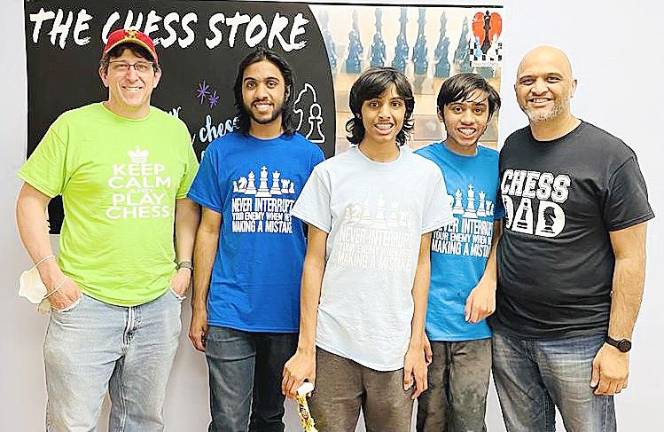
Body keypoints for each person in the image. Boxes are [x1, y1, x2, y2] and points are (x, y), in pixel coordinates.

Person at [15, 28, 200, 431]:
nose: (131, 75)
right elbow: (31, 201)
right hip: (85, 305)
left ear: (156, 75)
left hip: (157, 304)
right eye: (120, 66)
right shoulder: (73, 127)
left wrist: (184, 268)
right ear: (104, 74)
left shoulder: (174, 132)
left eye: (140, 66)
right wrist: (51, 275)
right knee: (71, 424)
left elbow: (186, 203)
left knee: (142, 422)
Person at [490, 45, 654, 431]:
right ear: (515, 89)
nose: (539, 88)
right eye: (528, 80)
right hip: (510, 333)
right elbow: (506, 228)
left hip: (579, 340)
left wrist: (618, 345)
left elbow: (631, 257)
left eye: (552, 78)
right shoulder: (512, 146)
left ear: (573, 86)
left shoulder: (611, 157)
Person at [282, 67, 453, 432]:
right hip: (332, 345)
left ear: (406, 110)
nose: (384, 114)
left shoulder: (425, 176)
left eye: (395, 104)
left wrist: (414, 343)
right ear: (359, 110)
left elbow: (422, 265)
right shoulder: (330, 174)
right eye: (374, 104)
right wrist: (305, 347)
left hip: (393, 348)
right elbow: (313, 262)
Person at [187, 47, 324, 432]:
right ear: (241, 93)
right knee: (228, 421)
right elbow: (208, 230)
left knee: (269, 417)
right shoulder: (220, 153)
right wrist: (200, 307)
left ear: (286, 91)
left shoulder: (310, 157)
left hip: (286, 312)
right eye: (251, 84)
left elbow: (317, 245)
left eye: (270, 83)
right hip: (229, 310)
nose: (261, 93)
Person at [415, 73, 502, 432]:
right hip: (428, 324)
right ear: (441, 113)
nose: (468, 119)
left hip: (476, 325)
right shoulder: (420, 165)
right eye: (458, 109)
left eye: (478, 110)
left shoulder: (498, 165)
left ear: (489, 116)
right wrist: (413, 326)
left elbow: (501, 233)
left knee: (469, 421)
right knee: (430, 420)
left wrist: (489, 282)